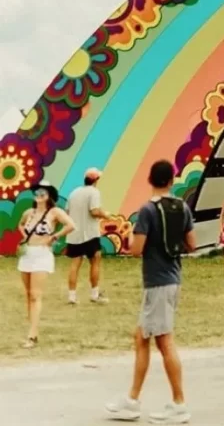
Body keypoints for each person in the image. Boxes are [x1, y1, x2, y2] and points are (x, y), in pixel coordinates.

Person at [105, 160, 195, 423]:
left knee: (164, 341)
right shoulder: (182, 207)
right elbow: (192, 244)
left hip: (157, 281)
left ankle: (179, 403)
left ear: (150, 179)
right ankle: (132, 399)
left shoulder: (147, 210)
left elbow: (136, 249)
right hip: (172, 278)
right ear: (172, 180)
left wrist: (129, 237)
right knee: (142, 336)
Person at [17, 181, 75, 349]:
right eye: (37, 191)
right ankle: (32, 328)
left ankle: (32, 336)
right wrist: (24, 237)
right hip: (27, 254)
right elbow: (20, 225)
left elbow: (71, 225)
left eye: (44, 192)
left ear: (49, 195)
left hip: (42, 255)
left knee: (36, 295)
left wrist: (54, 237)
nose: (40, 194)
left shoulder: (54, 212)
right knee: (28, 294)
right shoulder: (29, 212)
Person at [65, 167, 110, 305]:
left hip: (74, 234)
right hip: (90, 233)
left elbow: (67, 211)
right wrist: (105, 215)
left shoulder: (74, 193)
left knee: (75, 264)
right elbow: (94, 211)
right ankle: (94, 294)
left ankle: (72, 296)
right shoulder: (94, 192)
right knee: (95, 260)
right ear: (96, 180)